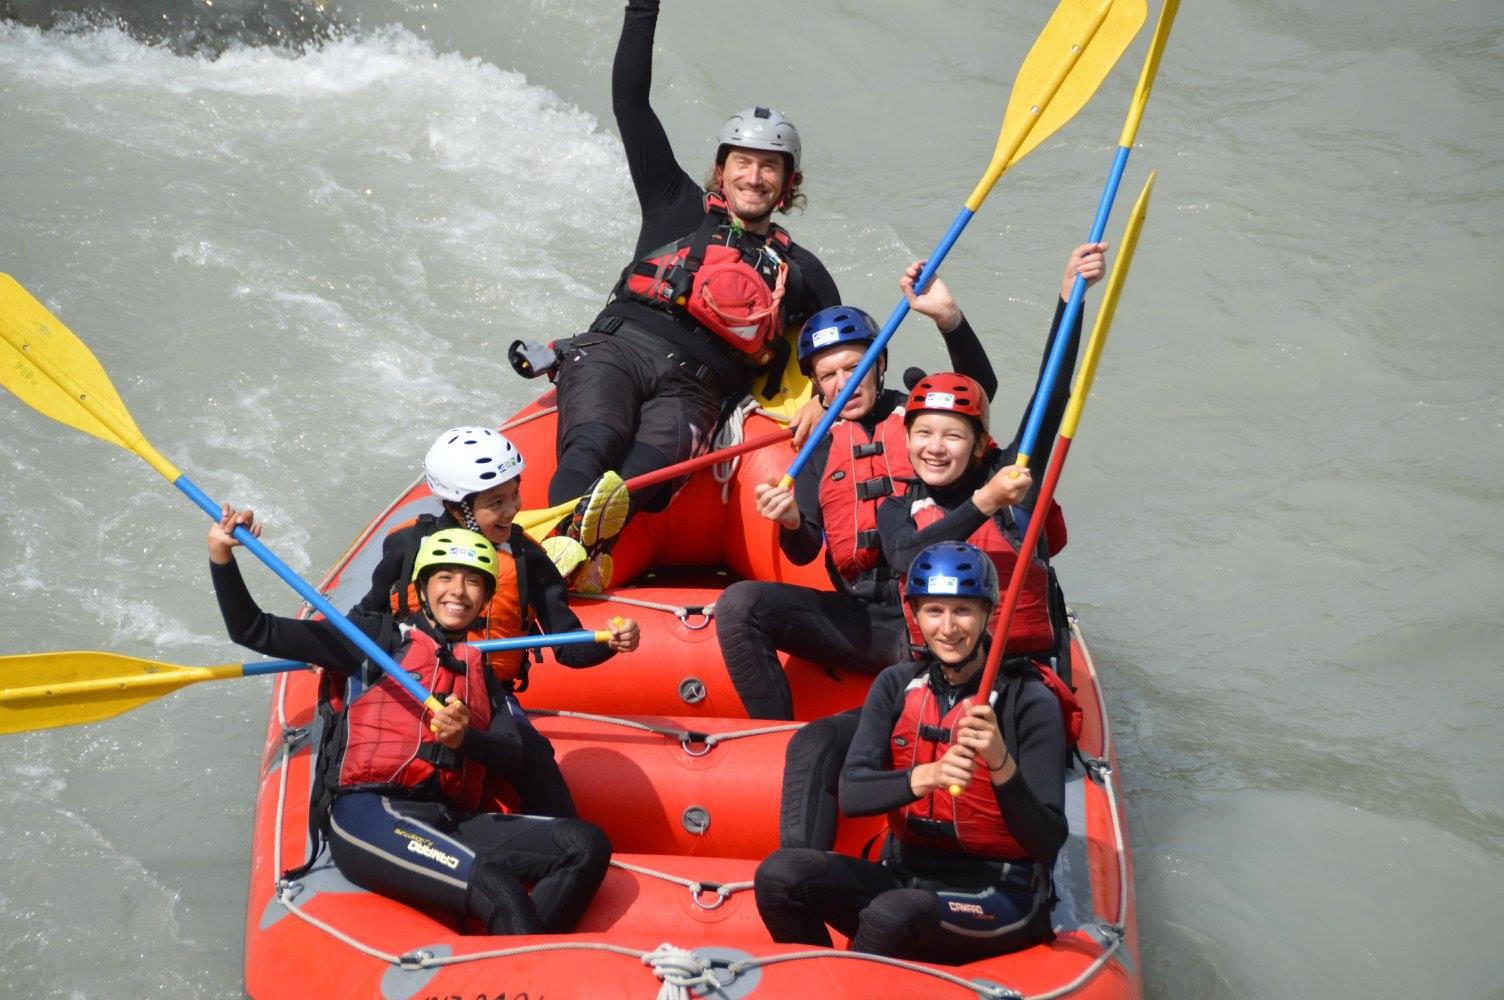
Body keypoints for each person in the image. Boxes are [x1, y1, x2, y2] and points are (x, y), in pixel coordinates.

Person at [716, 245, 1103, 723]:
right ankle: (768, 740)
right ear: (815, 385)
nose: (844, 383)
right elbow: (806, 550)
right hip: (868, 618)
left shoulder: (923, 419)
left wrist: (952, 319)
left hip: (945, 611)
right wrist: (792, 521)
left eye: (855, 368)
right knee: (740, 605)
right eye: (829, 375)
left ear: (880, 365)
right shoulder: (821, 448)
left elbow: (993, 393)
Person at [540, 0, 842, 586]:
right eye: (743, 163)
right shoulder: (673, 201)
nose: (754, 177)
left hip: (696, 389)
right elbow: (631, 105)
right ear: (721, 170)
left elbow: (857, 345)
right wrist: (642, 8)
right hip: (616, 351)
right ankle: (553, 564)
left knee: (640, 481)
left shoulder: (801, 269)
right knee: (592, 445)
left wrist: (823, 400)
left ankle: (572, 556)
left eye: (770, 168)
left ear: (788, 184)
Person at [209, 512, 611, 934]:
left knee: (585, 844)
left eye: (473, 582)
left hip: (447, 820)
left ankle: (529, 957)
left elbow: (514, 755)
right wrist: (221, 555)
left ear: (486, 597)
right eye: (445, 578)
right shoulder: (374, 640)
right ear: (422, 587)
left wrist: (464, 739)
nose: (458, 591)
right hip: (370, 813)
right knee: (497, 888)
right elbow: (254, 630)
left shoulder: (480, 670)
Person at [754, 541, 1068, 962]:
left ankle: (856, 981)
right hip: (907, 876)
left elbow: (1048, 841)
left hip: (998, 893)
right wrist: (929, 776)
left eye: (963, 611)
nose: (948, 628)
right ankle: (816, 976)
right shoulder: (896, 684)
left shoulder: (1028, 701)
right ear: (915, 614)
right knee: (779, 875)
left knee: (893, 913)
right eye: (934, 611)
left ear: (988, 613)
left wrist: (1000, 763)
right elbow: (853, 794)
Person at [352, 426, 639, 673]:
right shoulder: (408, 545)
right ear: (459, 507)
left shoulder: (527, 558)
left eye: (514, 494)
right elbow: (367, 616)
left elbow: (569, 647)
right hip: (410, 687)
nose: (512, 509)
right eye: (496, 503)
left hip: (486, 697)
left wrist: (611, 642)